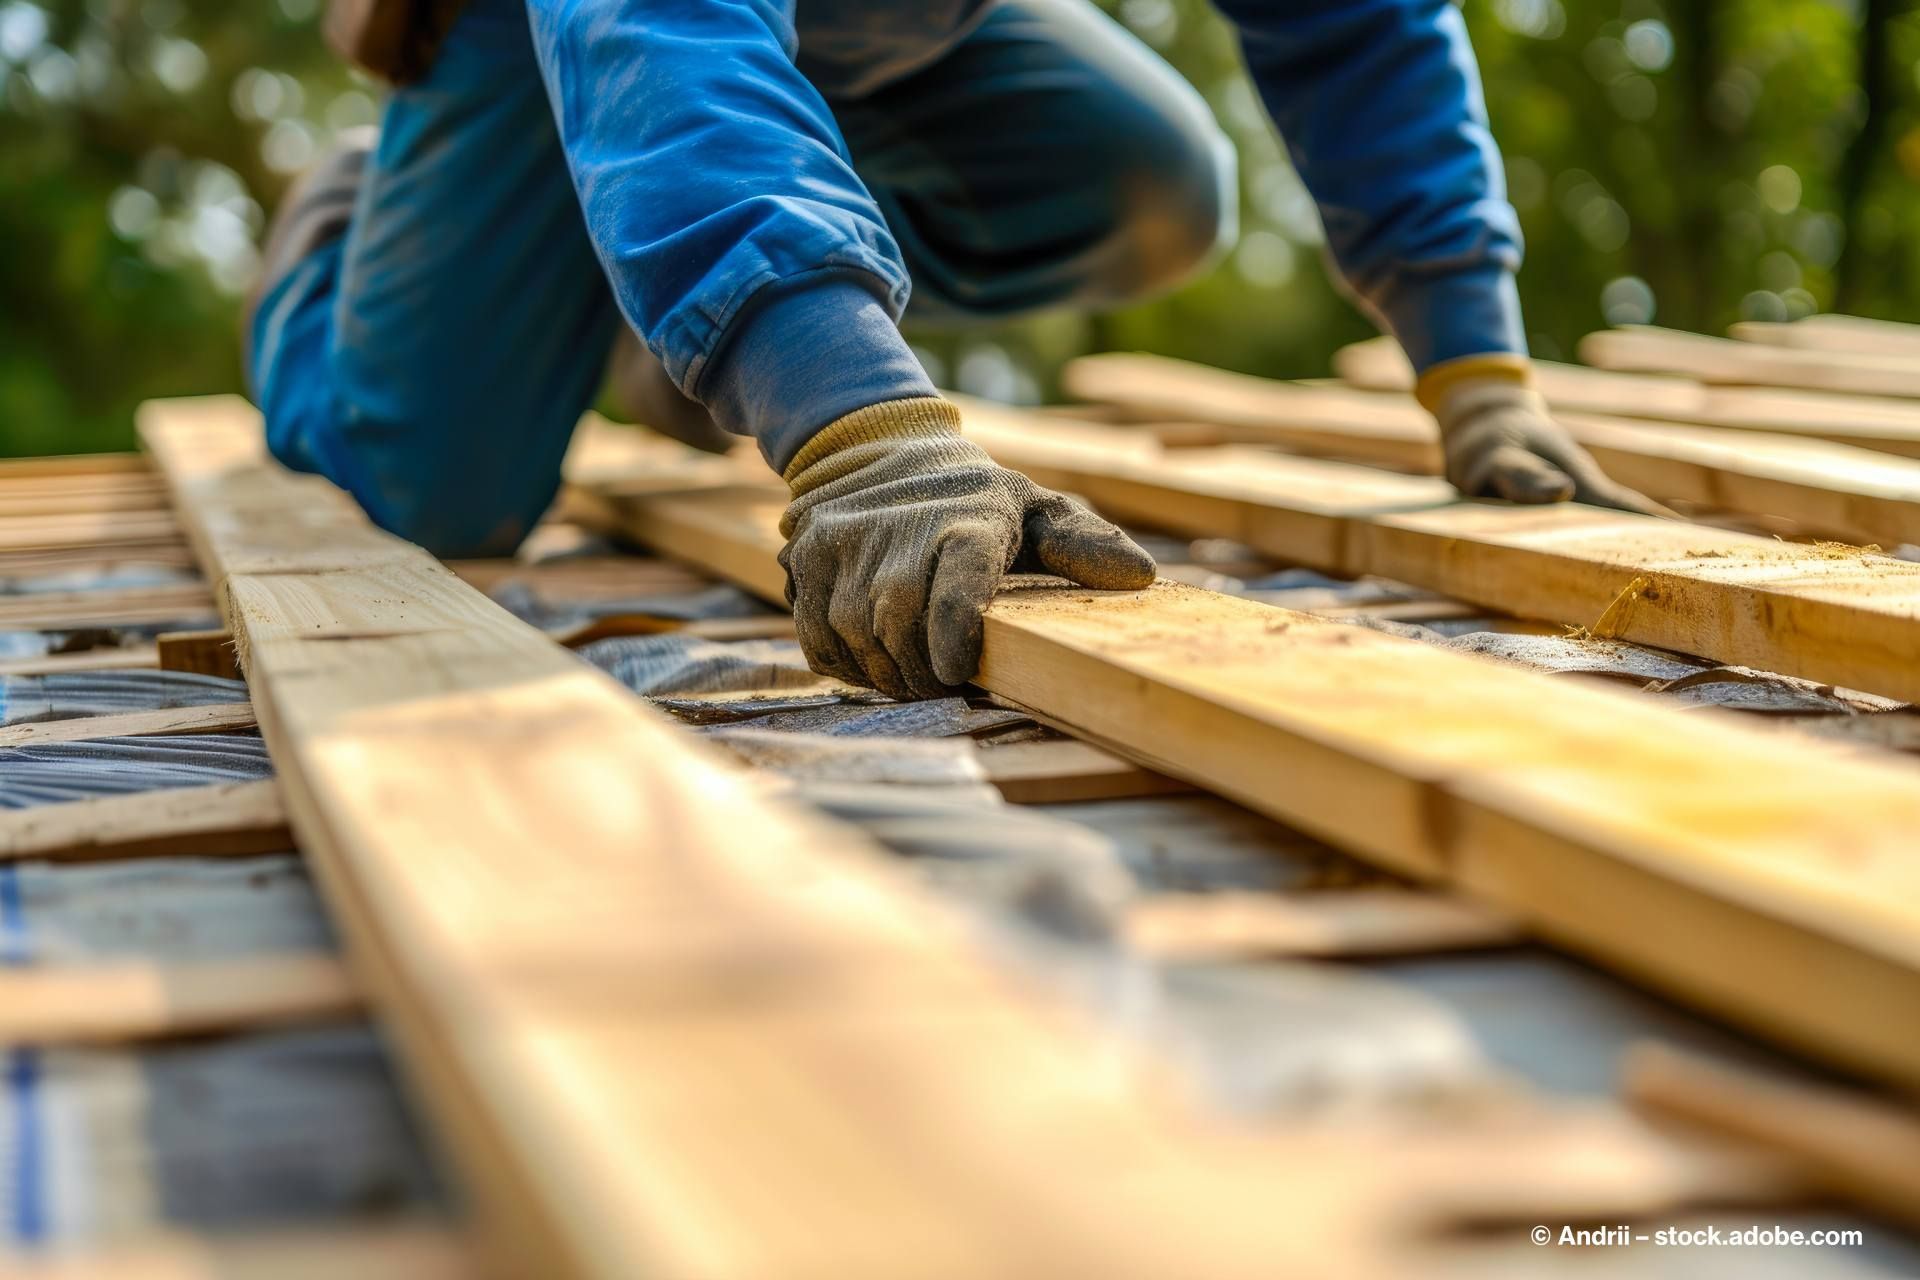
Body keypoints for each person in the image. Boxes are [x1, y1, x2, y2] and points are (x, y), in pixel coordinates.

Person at [247, 0, 1658, 702]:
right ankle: (342, 231)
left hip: (892, 33)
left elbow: (1362, 27)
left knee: (1152, 183)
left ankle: (666, 303)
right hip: (546, 26)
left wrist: (1474, 364)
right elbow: (661, 23)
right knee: (438, 490)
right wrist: (855, 425)